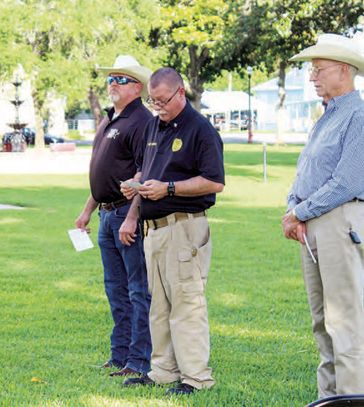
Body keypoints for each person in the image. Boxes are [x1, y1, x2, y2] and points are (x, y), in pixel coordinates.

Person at [122, 67, 224, 395]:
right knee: (159, 305)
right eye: (152, 101)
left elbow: (214, 182)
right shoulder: (154, 124)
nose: (158, 107)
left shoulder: (201, 130)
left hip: (183, 227)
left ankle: (196, 378)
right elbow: (146, 168)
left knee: (186, 303)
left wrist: (168, 188)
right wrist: (136, 189)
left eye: (163, 101)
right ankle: (163, 370)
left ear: (181, 92)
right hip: (154, 230)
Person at [282, 34, 364, 398]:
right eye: (311, 70)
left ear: (344, 71)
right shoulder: (327, 116)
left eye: (319, 70)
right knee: (322, 322)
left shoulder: (358, 116)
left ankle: (352, 396)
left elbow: (346, 181)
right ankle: (329, 398)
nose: (312, 77)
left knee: (345, 321)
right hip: (315, 225)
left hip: (339, 223)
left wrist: (299, 211)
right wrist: (293, 209)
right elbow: (308, 172)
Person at [75, 55, 152, 377]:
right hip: (106, 215)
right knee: (115, 289)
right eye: (110, 80)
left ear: (137, 86)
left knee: (137, 289)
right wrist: (87, 210)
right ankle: (119, 355)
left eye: (120, 80)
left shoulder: (141, 121)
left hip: (125, 214)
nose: (112, 85)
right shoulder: (110, 120)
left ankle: (138, 360)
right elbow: (104, 173)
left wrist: (133, 217)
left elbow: (143, 172)